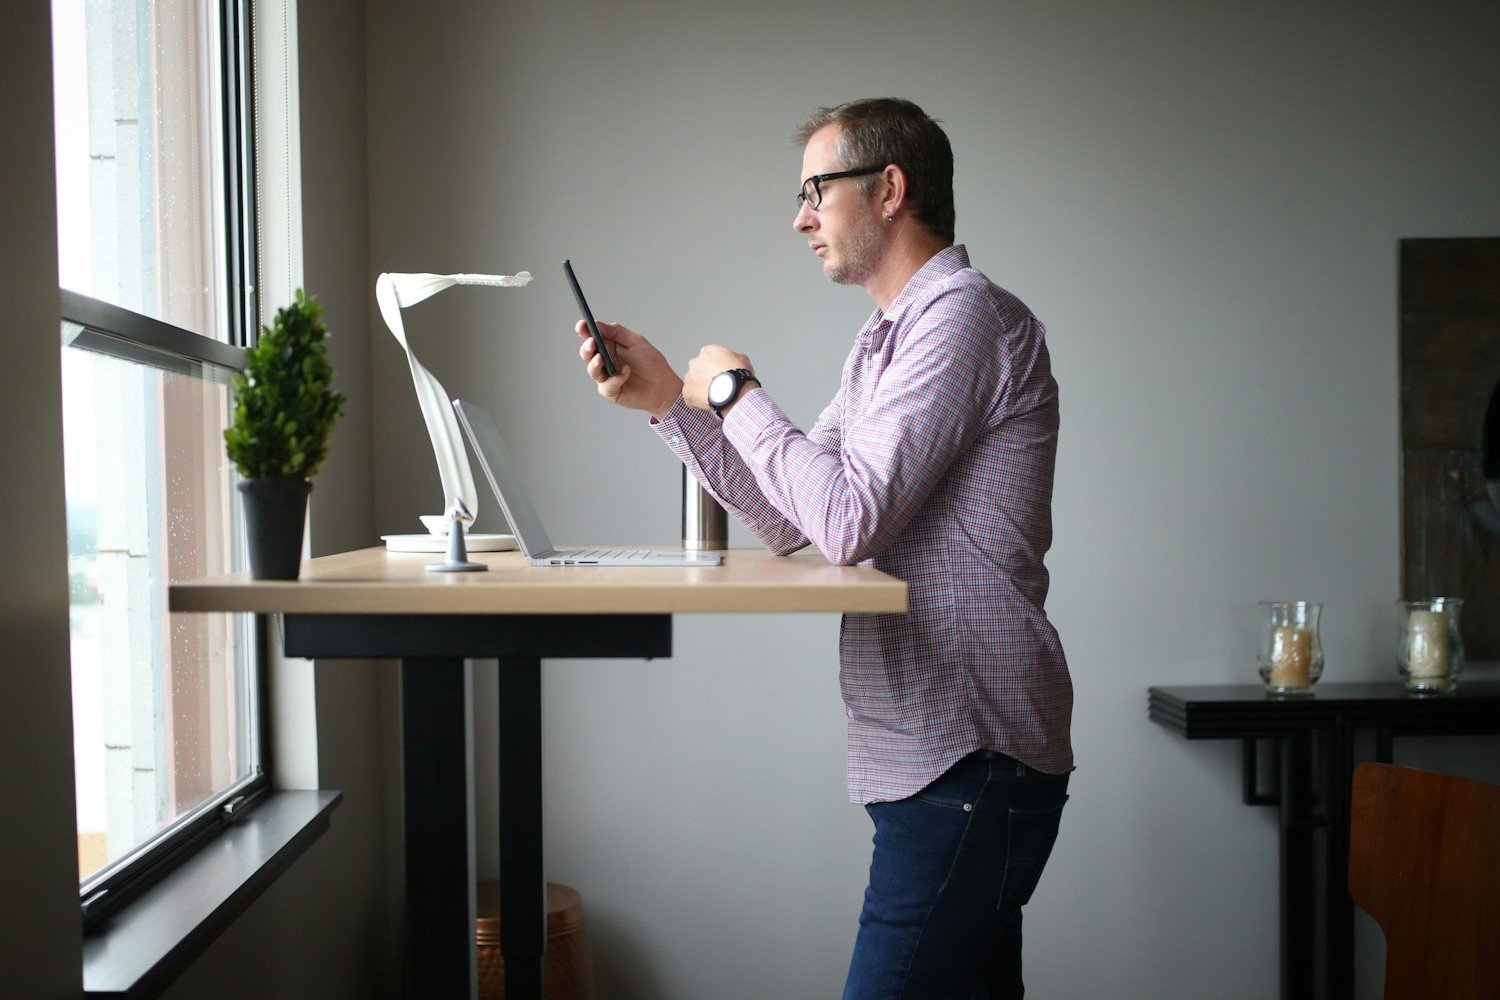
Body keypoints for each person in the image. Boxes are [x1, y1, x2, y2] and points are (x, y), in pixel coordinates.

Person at [572, 97, 1074, 999]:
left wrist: (733, 389)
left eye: (816, 189)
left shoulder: (963, 319)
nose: (800, 217)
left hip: (970, 750)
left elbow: (848, 520)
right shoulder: (884, 342)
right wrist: (669, 402)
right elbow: (797, 515)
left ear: (889, 189)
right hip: (936, 756)